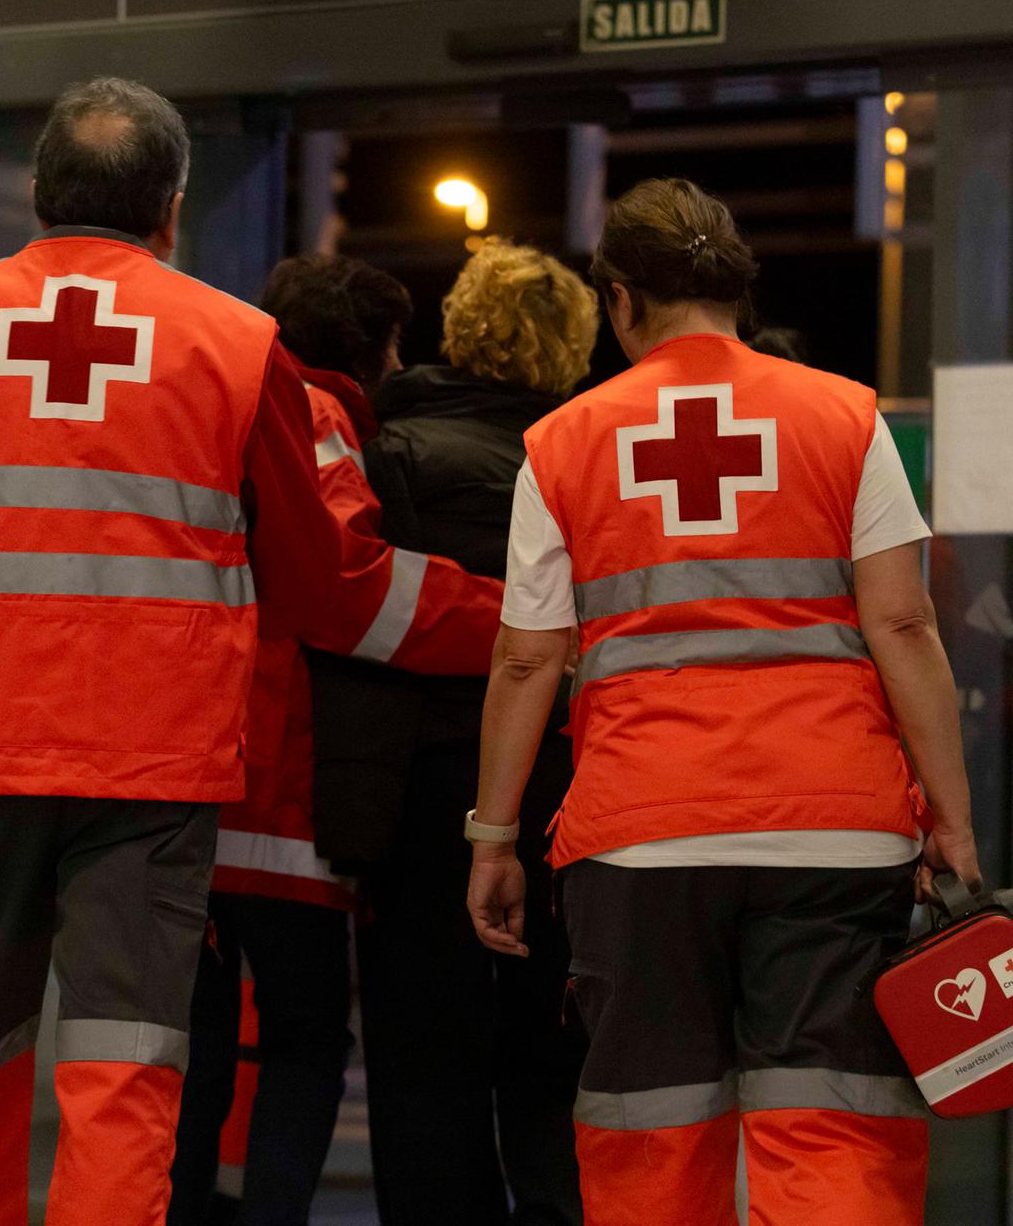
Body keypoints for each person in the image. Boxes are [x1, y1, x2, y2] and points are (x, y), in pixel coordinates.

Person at [0, 77, 342, 1226]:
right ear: (171, 207)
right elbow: (311, 578)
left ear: (38, 194)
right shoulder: (238, 345)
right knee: (124, 1069)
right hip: (152, 762)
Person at [466, 177, 981, 1226]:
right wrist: (953, 822)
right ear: (735, 291)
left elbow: (527, 662)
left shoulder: (563, 444)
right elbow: (906, 626)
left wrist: (494, 837)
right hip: (837, 836)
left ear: (618, 301)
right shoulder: (845, 416)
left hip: (640, 838)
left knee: (653, 1136)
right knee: (835, 1128)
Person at [169, 253, 503, 1226]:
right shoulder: (317, 420)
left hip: (187, 794)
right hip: (280, 796)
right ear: (381, 355)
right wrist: (512, 620)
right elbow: (350, 587)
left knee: (192, 1050)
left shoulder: (212, 412)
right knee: (306, 1042)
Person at [349, 238, 597, 1226]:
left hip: (424, 796)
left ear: (458, 329)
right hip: (566, 785)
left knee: (422, 1068)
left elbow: (362, 625)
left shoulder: (392, 450)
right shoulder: (586, 462)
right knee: (556, 1057)